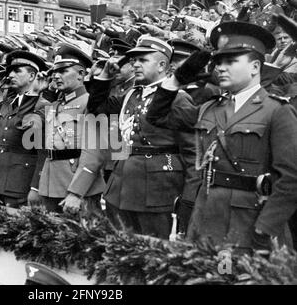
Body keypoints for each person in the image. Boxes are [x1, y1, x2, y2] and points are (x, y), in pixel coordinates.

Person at [146, 21, 297, 252]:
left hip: (249, 225)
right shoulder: (210, 108)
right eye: (218, 62)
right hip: (206, 219)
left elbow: (291, 179)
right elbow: (157, 116)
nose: (221, 68)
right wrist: (176, 80)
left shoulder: (277, 110)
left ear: (255, 67)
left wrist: (265, 228)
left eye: (231, 61)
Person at [86, 36, 198, 238]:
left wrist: (188, 199)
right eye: (133, 60)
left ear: (162, 65)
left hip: (157, 191)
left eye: (143, 60)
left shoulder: (178, 99)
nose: (135, 64)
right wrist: (104, 78)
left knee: (153, 253)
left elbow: (192, 153)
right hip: (120, 188)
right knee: (117, 250)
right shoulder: (131, 94)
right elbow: (97, 110)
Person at [29, 43, 105, 213]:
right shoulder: (55, 105)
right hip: (51, 184)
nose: (56, 76)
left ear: (81, 74)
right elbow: (31, 131)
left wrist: (76, 192)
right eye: (54, 72)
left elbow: (94, 154)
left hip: (78, 186)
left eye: (63, 71)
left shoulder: (90, 103)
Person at [0, 51, 48, 207]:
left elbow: (40, 150)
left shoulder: (43, 105)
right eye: (10, 71)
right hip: (0, 179)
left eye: (17, 71)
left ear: (32, 76)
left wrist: (35, 186)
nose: (11, 75)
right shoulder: (9, 102)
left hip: (22, 180)